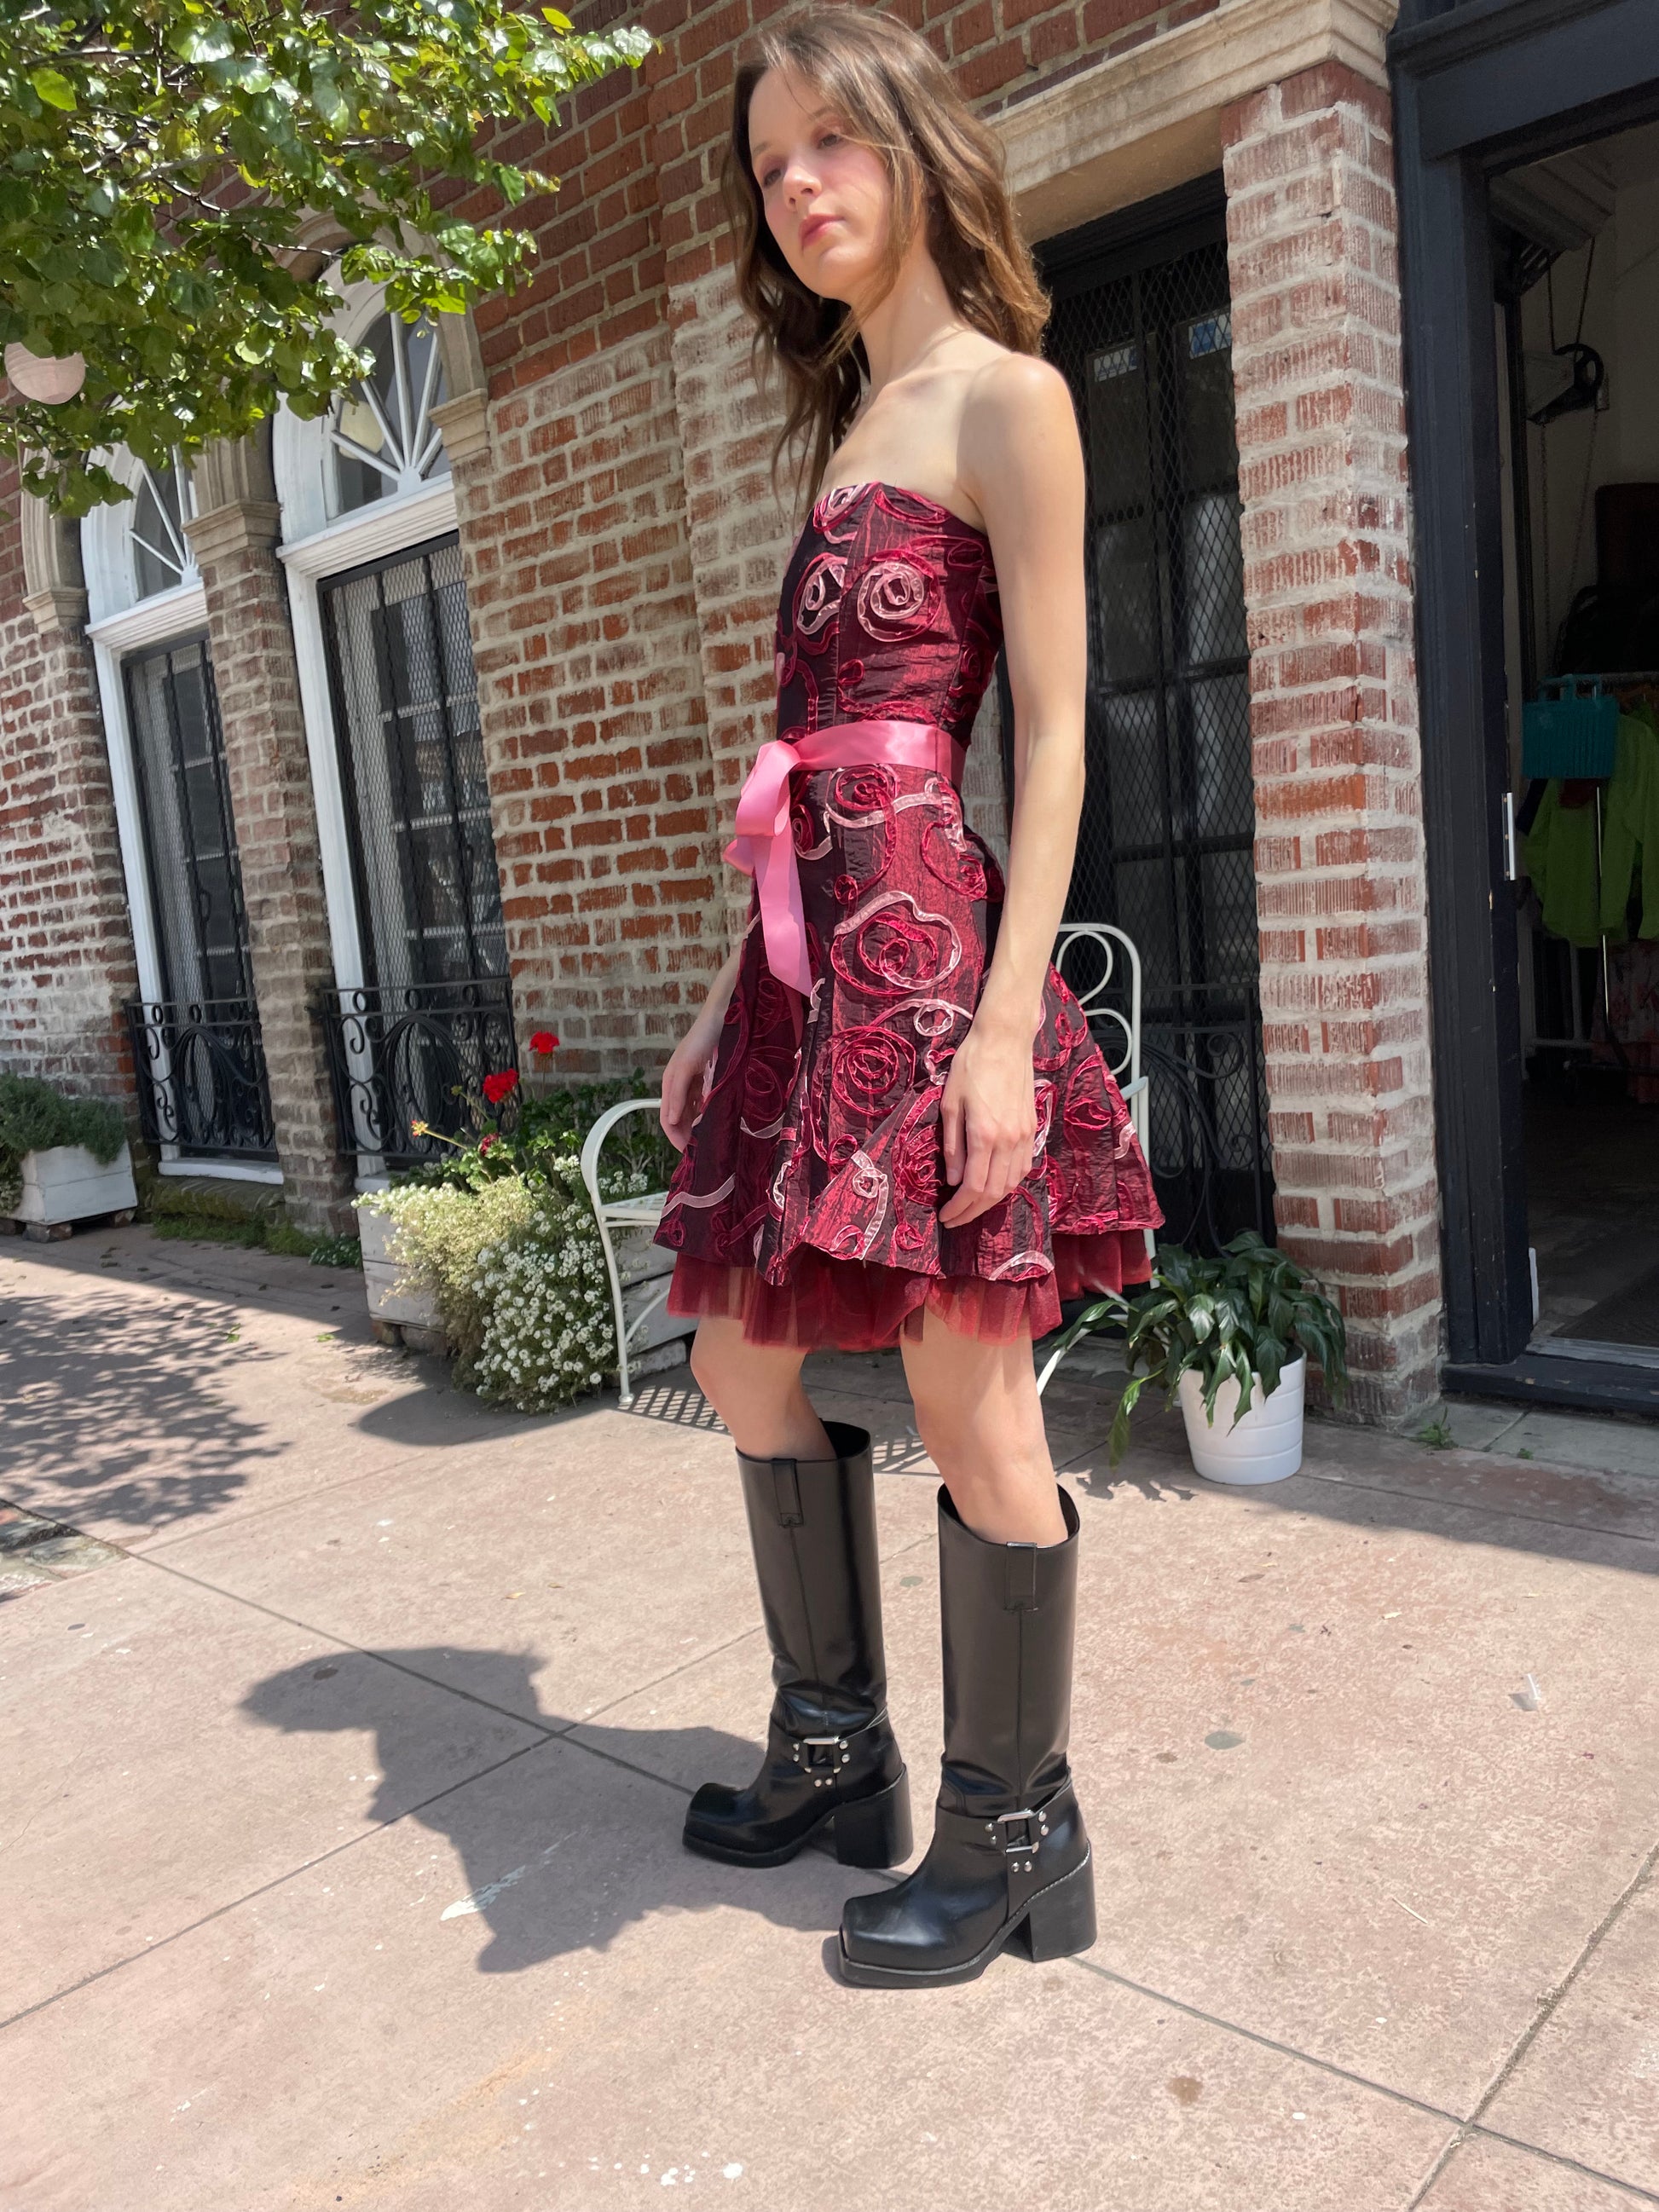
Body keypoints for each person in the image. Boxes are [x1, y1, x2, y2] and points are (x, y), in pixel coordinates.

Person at [651, 4, 1161, 1990]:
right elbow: (803, 754)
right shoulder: (842, 425)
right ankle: (836, 1751)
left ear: (914, 149)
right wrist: (715, 998)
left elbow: (1046, 739)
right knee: (743, 1359)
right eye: (769, 162)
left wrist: (1013, 1024)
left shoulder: (1000, 395)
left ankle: (1021, 1837)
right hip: (799, 967)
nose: (796, 186)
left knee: (964, 1383)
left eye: (828, 145)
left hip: (930, 966)